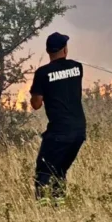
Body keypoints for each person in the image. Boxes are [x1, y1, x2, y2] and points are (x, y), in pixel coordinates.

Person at [29, 32, 86, 204]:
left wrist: (36, 92)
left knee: (43, 172)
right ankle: (58, 207)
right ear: (65, 49)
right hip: (79, 131)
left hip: (59, 131)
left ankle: (42, 209)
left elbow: (36, 104)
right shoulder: (78, 67)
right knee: (59, 171)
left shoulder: (42, 73)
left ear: (48, 51)